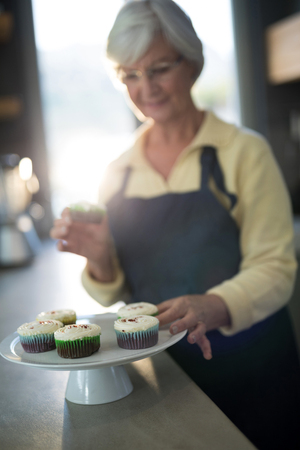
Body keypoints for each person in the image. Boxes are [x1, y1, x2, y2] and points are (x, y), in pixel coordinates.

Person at [50, 1, 300, 448]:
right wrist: (101, 260)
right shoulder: (117, 171)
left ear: (192, 63)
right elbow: (117, 295)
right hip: (164, 378)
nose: (146, 88)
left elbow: (277, 269)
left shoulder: (243, 153)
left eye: (159, 68)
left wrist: (214, 304)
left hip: (253, 369)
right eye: (130, 74)